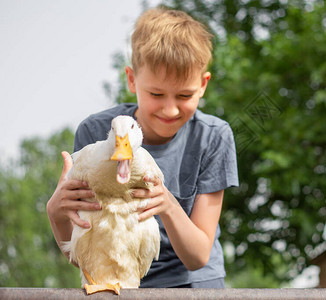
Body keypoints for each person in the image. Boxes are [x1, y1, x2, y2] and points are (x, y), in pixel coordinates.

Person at [46, 6, 239, 288]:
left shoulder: (214, 137)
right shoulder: (96, 133)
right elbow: (81, 253)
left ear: (203, 85)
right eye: (156, 94)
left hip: (196, 285)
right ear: (132, 79)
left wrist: (168, 204)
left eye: (184, 95)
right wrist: (55, 212)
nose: (170, 109)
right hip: (115, 283)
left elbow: (198, 256)